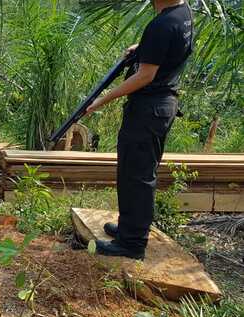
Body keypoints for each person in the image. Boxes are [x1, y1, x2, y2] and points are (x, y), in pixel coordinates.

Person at [83, 0, 194, 260]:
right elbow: (173, 48)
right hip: (161, 105)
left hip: (148, 109)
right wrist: (143, 49)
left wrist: (102, 100)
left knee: (138, 176)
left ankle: (132, 244)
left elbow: (145, 76)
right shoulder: (182, 11)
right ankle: (128, 228)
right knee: (133, 170)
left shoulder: (162, 24)